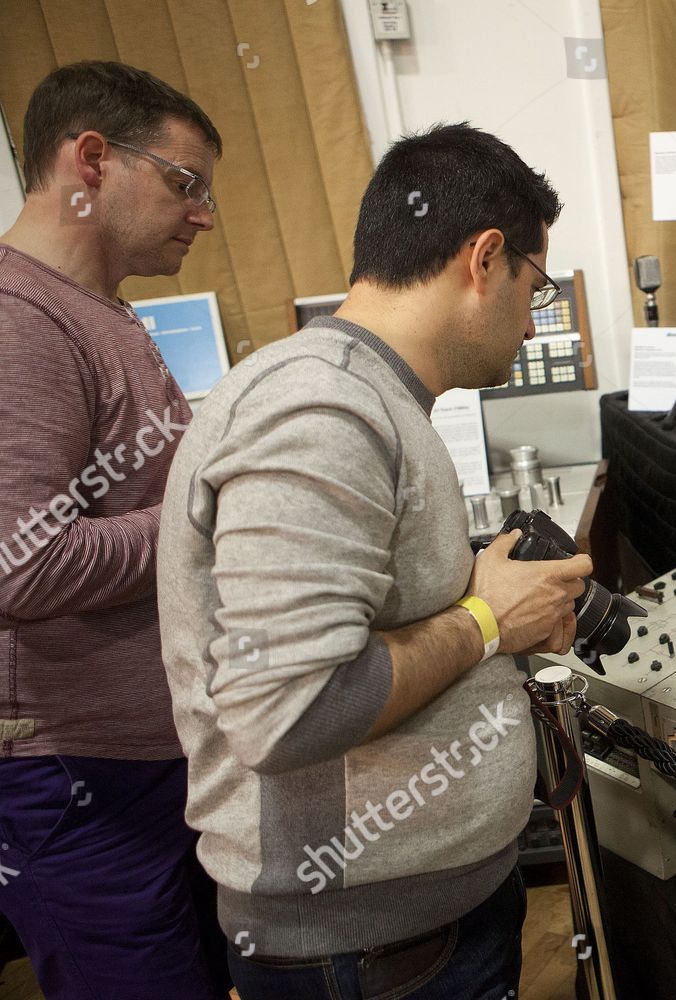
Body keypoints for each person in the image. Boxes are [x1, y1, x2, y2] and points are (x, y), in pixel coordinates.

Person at [157, 122, 590, 999]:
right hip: (371, 954)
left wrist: (474, 591)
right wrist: (484, 621)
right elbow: (287, 709)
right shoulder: (324, 410)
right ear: (485, 259)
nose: (533, 313)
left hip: (415, 931)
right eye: (534, 287)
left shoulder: (369, 395)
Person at [0, 61, 230, 998]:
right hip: (75, 785)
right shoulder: (20, 321)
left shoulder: (96, 313)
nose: (204, 213)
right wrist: (204, 512)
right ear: (90, 160)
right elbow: (22, 565)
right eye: (186, 183)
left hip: (144, 761)